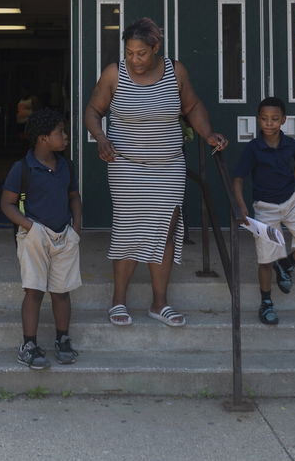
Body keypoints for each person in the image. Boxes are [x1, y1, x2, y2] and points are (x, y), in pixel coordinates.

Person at [83, 17, 228, 329]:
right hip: (126, 165)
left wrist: (208, 134)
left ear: (156, 48)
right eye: (130, 53)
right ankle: (118, 300)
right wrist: (101, 138)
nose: (134, 60)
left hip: (168, 166)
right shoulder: (114, 74)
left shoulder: (176, 71)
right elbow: (93, 111)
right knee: (128, 227)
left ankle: (159, 303)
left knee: (166, 231)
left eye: (141, 54)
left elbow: (191, 107)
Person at [0, 107, 83, 369]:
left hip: (63, 234)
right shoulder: (22, 168)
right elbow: (7, 204)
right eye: (61, 132)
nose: (66, 136)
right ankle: (29, 345)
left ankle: (62, 339)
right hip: (34, 234)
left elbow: (73, 197)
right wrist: (31, 227)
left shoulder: (65, 165)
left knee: (61, 291)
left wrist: (76, 228)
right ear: (43, 138)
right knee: (34, 290)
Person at [231, 96, 295, 326]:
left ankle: (286, 263)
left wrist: (293, 178)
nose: (269, 123)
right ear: (258, 120)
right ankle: (266, 303)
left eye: (274, 119)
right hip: (265, 210)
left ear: (283, 120)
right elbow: (238, 178)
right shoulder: (253, 149)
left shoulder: (291, 145)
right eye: (264, 119)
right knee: (265, 259)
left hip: (291, 204)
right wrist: (242, 208)